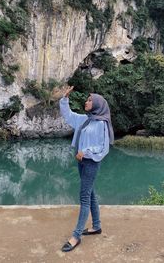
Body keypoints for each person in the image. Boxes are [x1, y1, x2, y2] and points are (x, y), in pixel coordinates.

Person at [59, 86, 114, 252]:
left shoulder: (101, 124)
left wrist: (86, 152)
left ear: (97, 104)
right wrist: (65, 99)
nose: (87, 102)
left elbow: (103, 147)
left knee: (84, 197)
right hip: (81, 162)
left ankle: (76, 236)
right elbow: (68, 115)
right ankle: (96, 226)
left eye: (90, 100)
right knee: (90, 193)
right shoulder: (85, 119)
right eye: (87, 99)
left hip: (91, 162)